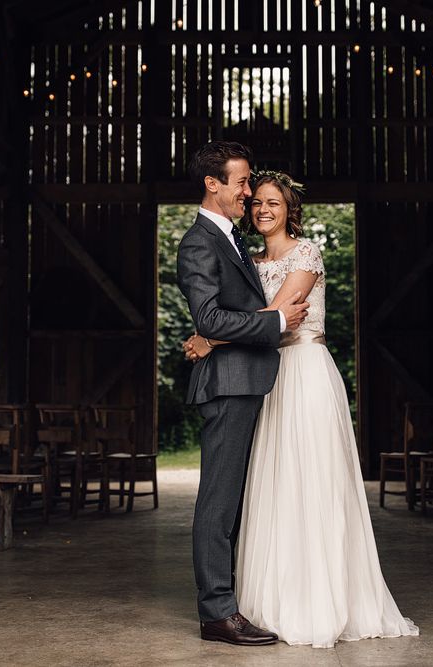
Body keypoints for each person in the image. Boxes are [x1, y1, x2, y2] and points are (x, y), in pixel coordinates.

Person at [184, 171, 420, 648]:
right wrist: (220, 331)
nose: (263, 209)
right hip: (266, 380)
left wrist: (208, 337)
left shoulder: (306, 254)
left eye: (273, 202)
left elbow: (277, 317)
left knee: (312, 483)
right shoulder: (247, 261)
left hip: (304, 374)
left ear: (291, 209)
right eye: (257, 202)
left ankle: (320, 600)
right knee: (271, 488)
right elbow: (260, 322)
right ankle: (268, 599)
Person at [176, 142, 310, 646]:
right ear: (213, 184)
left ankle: (233, 601)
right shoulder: (198, 243)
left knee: (238, 500)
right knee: (219, 500)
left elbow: (217, 323)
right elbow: (208, 319)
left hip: (247, 381)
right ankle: (216, 613)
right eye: (242, 182)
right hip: (228, 385)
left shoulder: (230, 239)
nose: (249, 192)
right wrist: (275, 320)